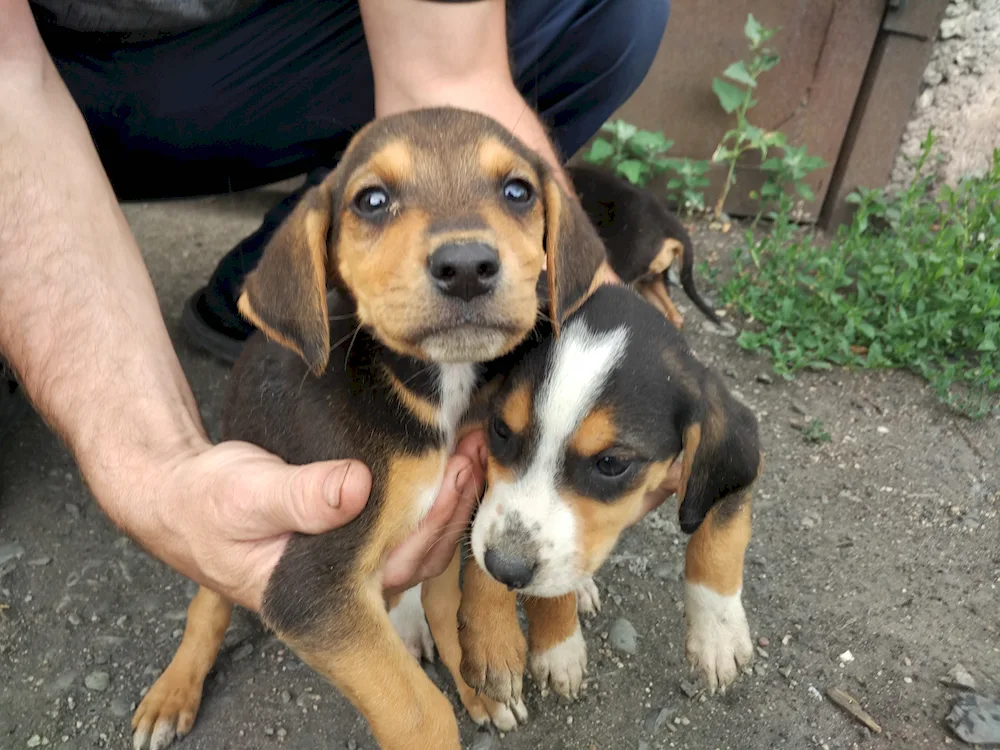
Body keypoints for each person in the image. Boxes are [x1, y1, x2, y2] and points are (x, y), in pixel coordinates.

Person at [0, 0, 672, 615]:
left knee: (606, 10)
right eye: (376, 204)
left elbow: (447, 72)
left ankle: (261, 292)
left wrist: (625, 355)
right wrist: (155, 466)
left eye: (518, 195)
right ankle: (295, 278)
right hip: (46, 72)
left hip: (243, 55)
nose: (467, 256)